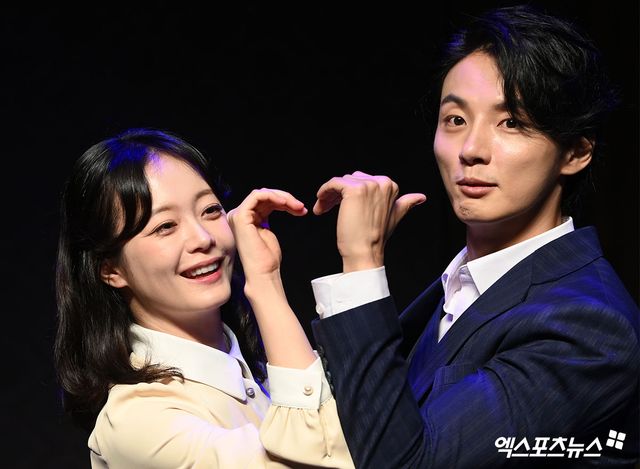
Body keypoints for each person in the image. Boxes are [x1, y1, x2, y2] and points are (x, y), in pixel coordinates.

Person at [309, 5, 639, 469]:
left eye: (512, 122)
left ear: (575, 152)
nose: (470, 150)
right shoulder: (457, 286)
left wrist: (362, 262)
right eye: (455, 120)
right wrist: (263, 282)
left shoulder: (590, 326)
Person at [53, 128, 354, 468]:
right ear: (111, 269)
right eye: (165, 226)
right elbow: (322, 456)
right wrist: (266, 283)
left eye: (210, 210)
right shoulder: (136, 422)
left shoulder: (261, 368)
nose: (202, 238)